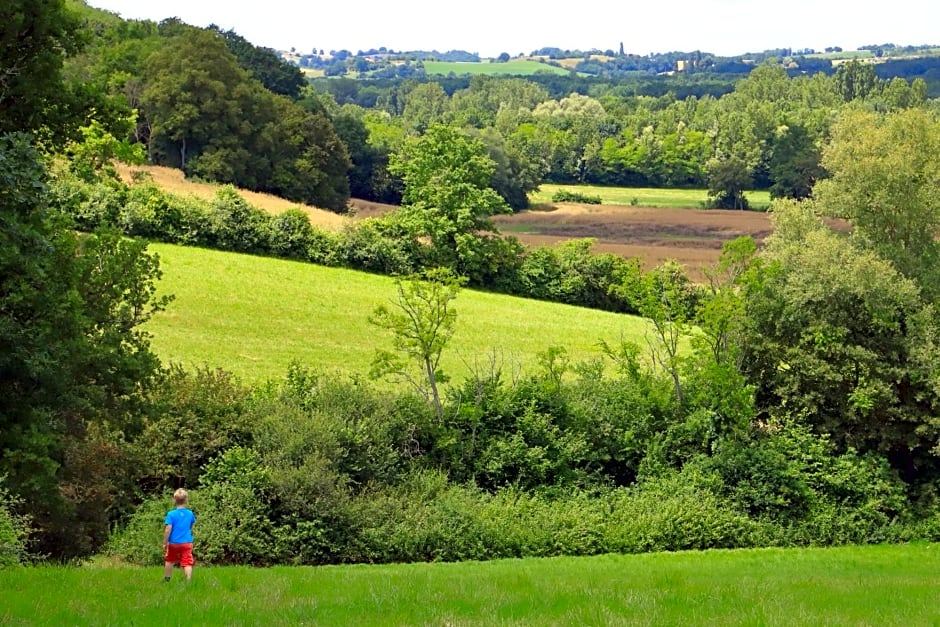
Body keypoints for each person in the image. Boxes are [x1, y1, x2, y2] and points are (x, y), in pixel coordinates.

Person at [163, 488, 196, 583]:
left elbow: (168, 529)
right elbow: (191, 525)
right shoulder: (190, 513)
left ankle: (167, 579)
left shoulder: (171, 514)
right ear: (186, 500)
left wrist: (165, 542)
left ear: (174, 500)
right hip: (187, 542)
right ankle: (188, 581)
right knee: (187, 562)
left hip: (174, 542)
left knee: (169, 560)